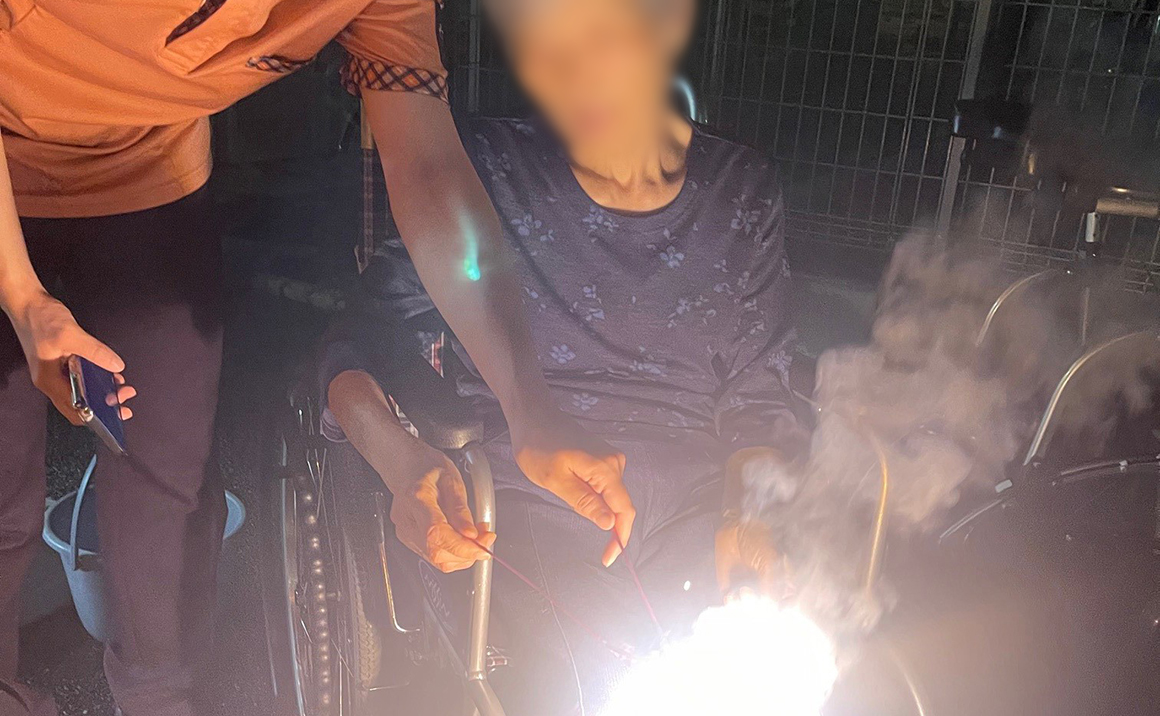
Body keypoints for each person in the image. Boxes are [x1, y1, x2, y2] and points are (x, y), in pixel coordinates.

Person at [0, 2, 628, 715]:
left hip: (148, 176)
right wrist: (20, 293)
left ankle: (160, 698)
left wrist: (529, 405)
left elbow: (426, 167)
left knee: (166, 474)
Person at [323, 0, 808, 712]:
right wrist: (401, 464)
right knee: (599, 670)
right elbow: (353, 349)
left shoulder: (739, 190)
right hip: (530, 494)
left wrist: (753, 514)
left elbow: (760, 400)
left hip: (701, 507)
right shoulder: (481, 170)